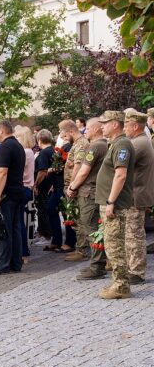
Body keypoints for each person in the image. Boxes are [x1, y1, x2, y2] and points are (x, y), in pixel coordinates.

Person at [94, 111, 135, 299]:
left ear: (115, 124)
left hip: (115, 204)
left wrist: (111, 201)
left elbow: (121, 175)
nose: (102, 126)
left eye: (105, 122)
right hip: (110, 203)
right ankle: (118, 282)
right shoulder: (115, 144)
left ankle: (121, 286)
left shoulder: (122, 144)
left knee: (115, 246)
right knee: (112, 245)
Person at [67, 118, 108, 279]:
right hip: (97, 191)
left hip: (88, 193)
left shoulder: (95, 146)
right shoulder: (105, 145)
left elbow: (83, 171)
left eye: (88, 129)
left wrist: (72, 187)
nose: (85, 131)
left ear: (97, 129)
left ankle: (97, 266)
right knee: (96, 229)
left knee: (91, 229)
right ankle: (99, 263)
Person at [0, 121, 25, 275]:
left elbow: (2, 172)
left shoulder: (5, 146)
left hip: (6, 194)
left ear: (2, 131)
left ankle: (3, 264)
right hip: (16, 192)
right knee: (15, 229)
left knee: (4, 230)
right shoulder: (17, 145)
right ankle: (15, 262)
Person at [123, 109, 154, 285]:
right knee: (134, 234)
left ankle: (136, 271)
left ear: (135, 126)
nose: (124, 128)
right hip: (138, 193)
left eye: (126, 125)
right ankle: (134, 269)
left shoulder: (137, 143)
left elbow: (118, 165)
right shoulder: (142, 140)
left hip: (136, 195)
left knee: (134, 235)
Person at [59, 119, 89, 253]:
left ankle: (81, 250)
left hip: (76, 188)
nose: (63, 138)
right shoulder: (76, 143)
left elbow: (77, 167)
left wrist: (72, 187)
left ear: (71, 131)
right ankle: (80, 248)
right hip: (73, 186)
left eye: (65, 135)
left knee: (79, 220)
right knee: (76, 219)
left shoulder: (81, 144)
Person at [13, 125, 35, 261]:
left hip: (24, 186)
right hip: (27, 187)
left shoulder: (25, 152)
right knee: (20, 221)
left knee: (19, 222)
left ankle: (23, 252)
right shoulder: (29, 152)